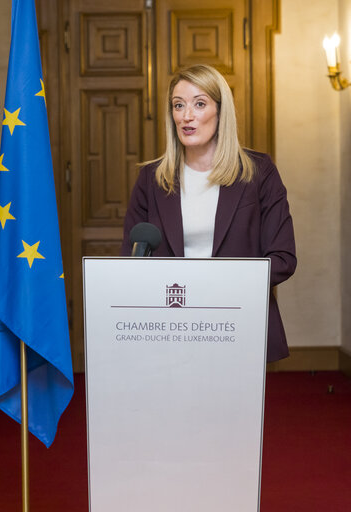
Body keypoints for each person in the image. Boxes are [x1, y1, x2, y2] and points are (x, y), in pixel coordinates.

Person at [121, 64, 296, 362]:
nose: (186, 115)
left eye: (199, 104)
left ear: (220, 111)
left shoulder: (259, 173)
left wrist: (214, 288)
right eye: (179, 105)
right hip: (168, 328)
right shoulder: (151, 179)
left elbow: (282, 259)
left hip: (237, 324)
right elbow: (131, 260)